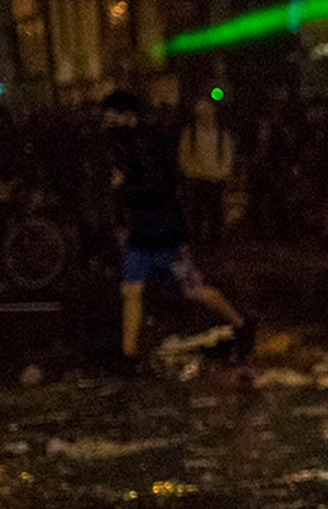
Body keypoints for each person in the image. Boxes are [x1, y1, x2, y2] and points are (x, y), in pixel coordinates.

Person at [102, 90, 254, 366]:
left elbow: (158, 186)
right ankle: (128, 355)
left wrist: (123, 185)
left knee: (189, 289)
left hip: (161, 233)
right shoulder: (135, 140)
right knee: (134, 291)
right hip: (152, 231)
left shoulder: (143, 143)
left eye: (111, 114)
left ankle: (241, 323)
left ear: (125, 114)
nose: (107, 120)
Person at [178, 97, 234, 250]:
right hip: (197, 178)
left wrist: (222, 173)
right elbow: (184, 155)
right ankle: (197, 242)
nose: (205, 115)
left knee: (215, 212)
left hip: (215, 178)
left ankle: (214, 242)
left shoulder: (221, 133)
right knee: (196, 212)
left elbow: (227, 155)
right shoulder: (190, 133)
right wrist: (191, 172)